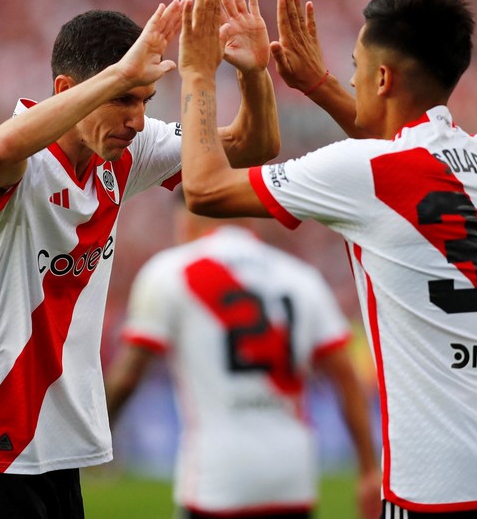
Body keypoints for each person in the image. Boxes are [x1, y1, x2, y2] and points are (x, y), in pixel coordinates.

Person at [177, 0, 477, 518]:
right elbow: (396, 161)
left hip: (435, 485)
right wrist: (316, 83)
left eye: (354, 68)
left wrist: (197, 73)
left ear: (381, 77)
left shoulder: (367, 171)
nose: (349, 79)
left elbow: (205, 189)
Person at [0, 0, 280, 519]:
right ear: (68, 91)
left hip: (59, 453)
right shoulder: (16, 155)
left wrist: (254, 76)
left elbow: (250, 148)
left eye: (144, 100)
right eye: (122, 100)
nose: (137, 120)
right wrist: (120, 73)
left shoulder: (125, 154)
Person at [104, 196, 382, 519]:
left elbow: (128, 375)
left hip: (218, 477)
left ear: (186, 219)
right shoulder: (300, 277)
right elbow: (346, 378)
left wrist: (98, 436)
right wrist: (367, 467)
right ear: (249, 217)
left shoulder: (171, 273)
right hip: (291, 477)